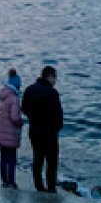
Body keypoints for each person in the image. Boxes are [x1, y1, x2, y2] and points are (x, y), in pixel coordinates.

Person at [21, 65, 63, 193]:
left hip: (34, 130)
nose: (55, 81)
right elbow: (58, 114)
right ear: (49, 76)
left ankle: (39, 186)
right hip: (50, 132)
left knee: (37, 158)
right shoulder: (52, 93)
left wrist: (33, 118)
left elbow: (23, 108)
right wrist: (57, 127)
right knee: (51, 162)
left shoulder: (29, 89)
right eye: (54, 77)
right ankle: (51, 188)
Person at [0, 68, 23, 188]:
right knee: (11, 159)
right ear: (16, 85)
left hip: (0, 132)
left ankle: (4, 181)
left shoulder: (2, 96)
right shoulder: (14, 99)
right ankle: (11, 182)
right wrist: (21, 122)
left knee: (3, 158)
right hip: (10, 134)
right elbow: (14, 117)